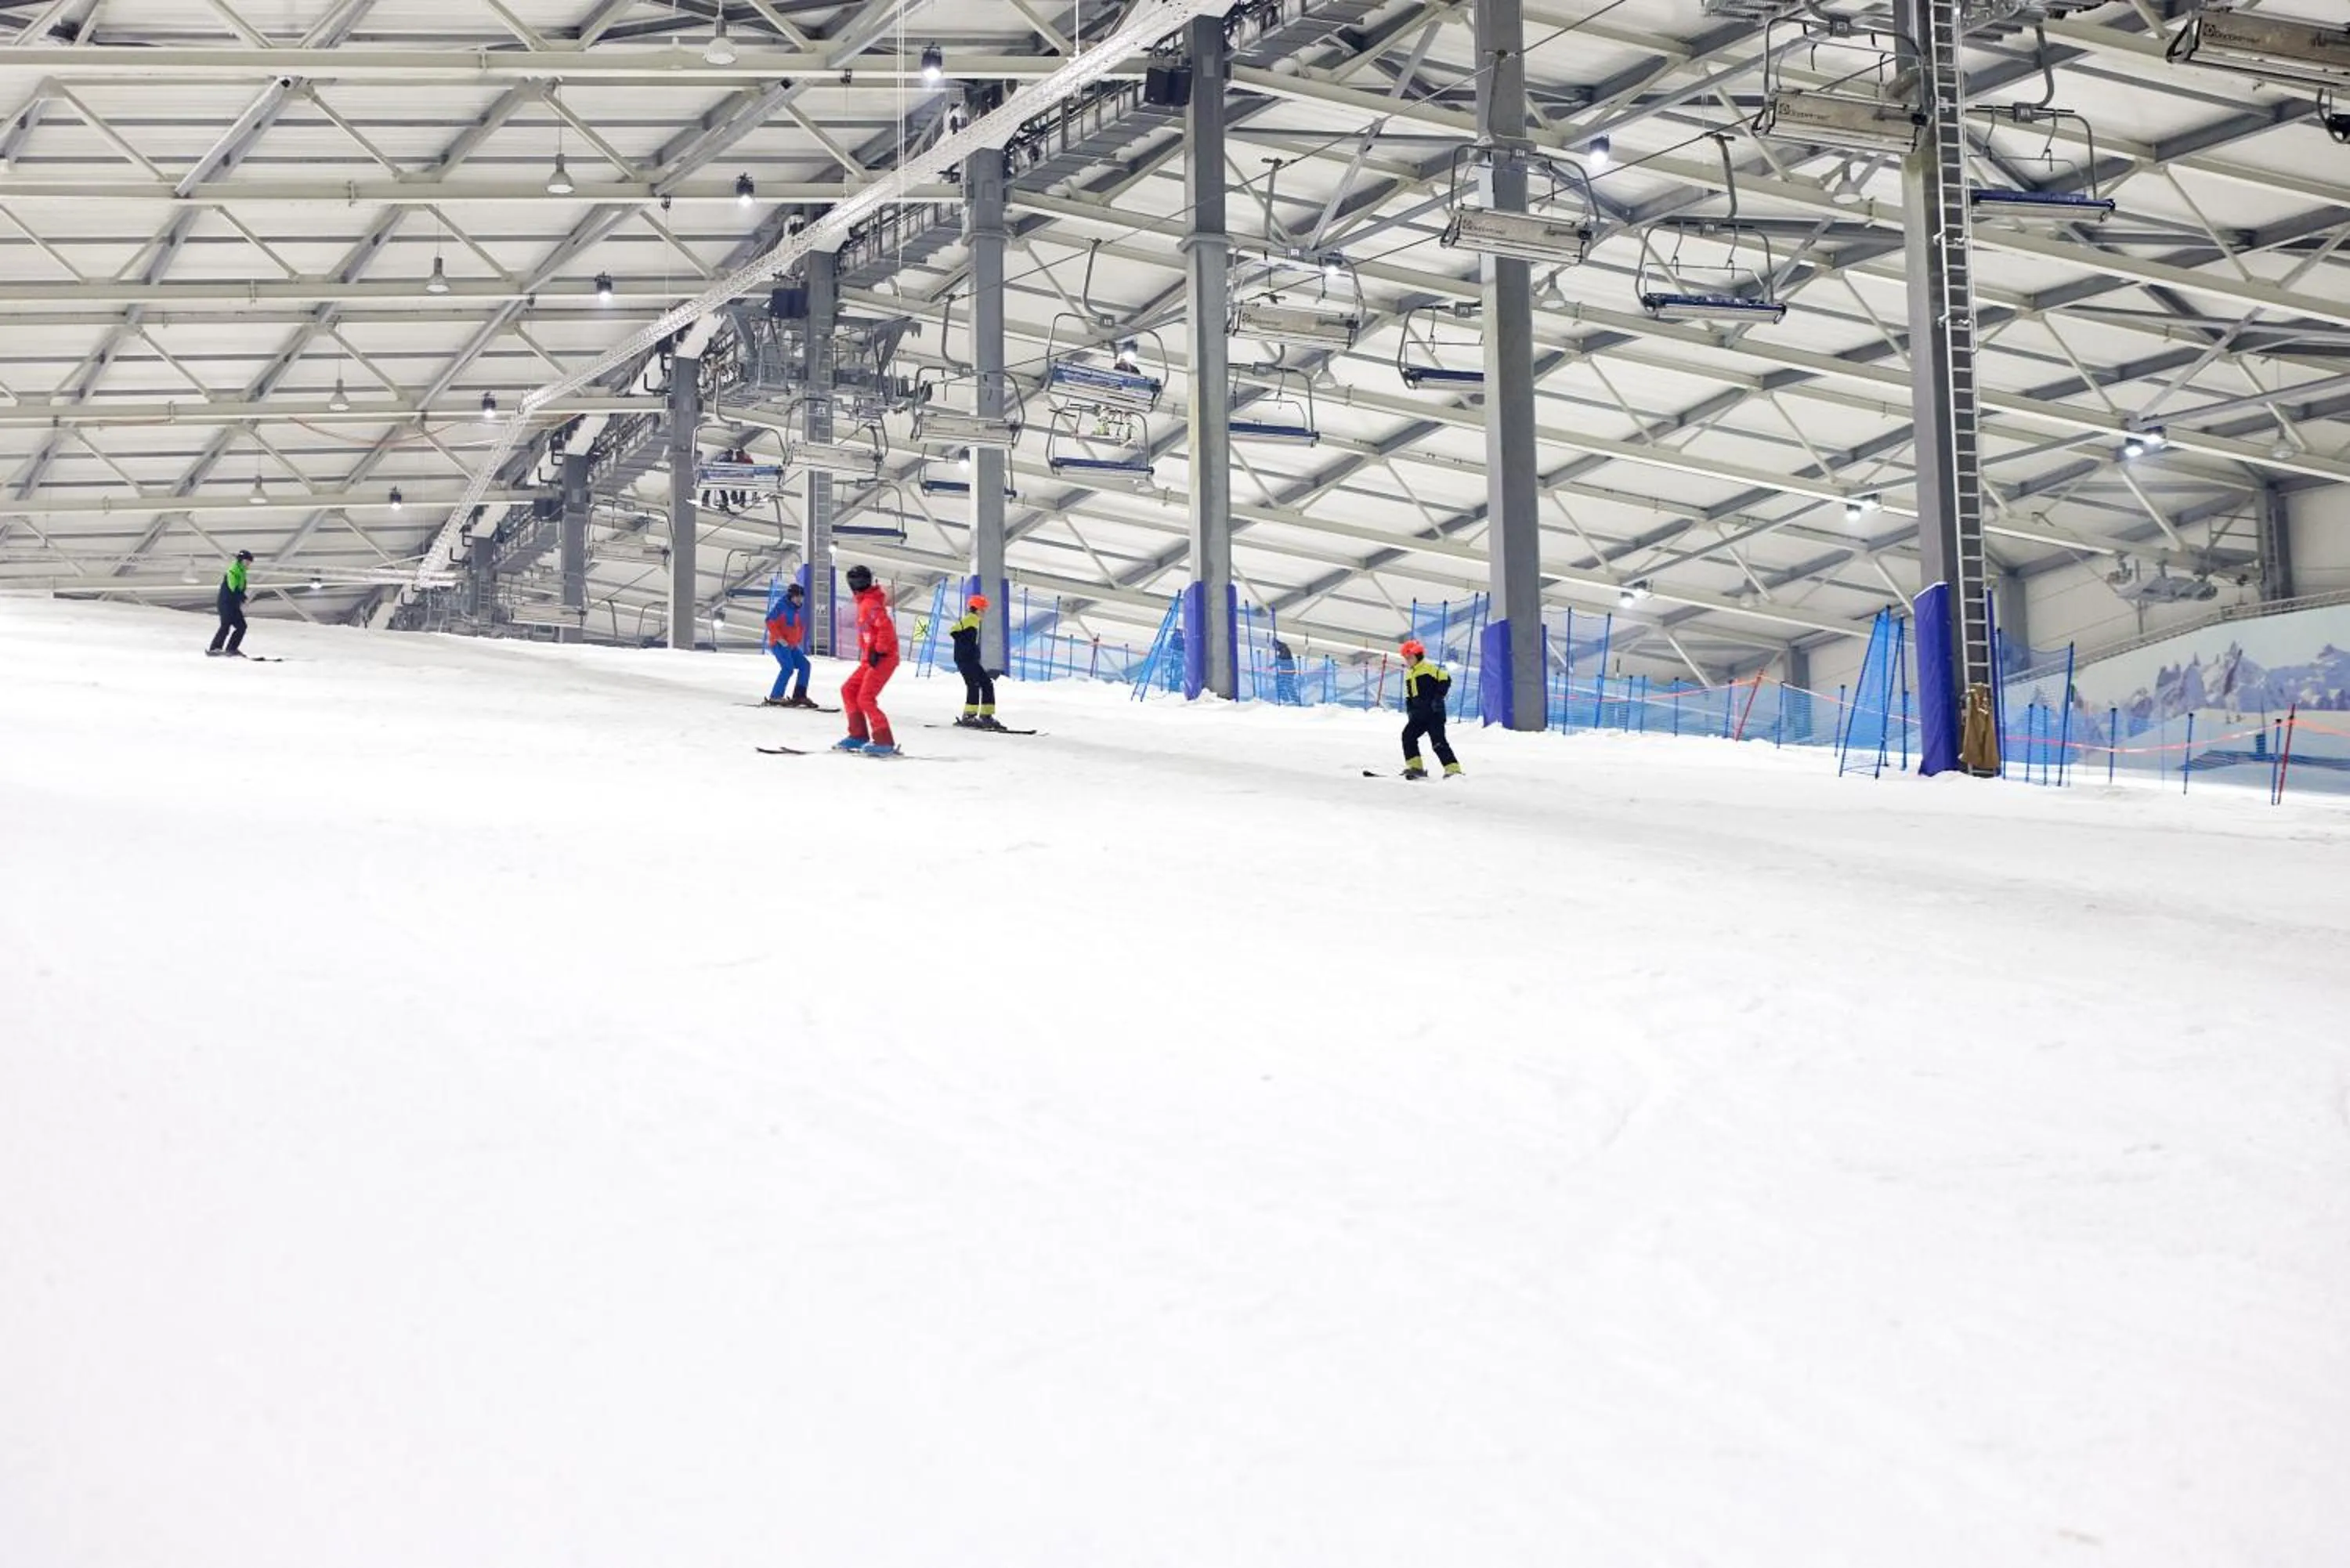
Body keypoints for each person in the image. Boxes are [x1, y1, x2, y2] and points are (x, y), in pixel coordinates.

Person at [836, 564, 901, 755]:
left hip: (883, 658)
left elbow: (885, 628)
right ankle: (858, 735)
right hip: (870, 659)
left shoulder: (870, 603)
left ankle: (884, 741)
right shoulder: (866, 602)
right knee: (849, 690)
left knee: (865, 698)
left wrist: (879, 650)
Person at [1398, 638, 1462, 779]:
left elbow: (1446, 679)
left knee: (1438, 742)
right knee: (1408, 736)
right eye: (1406, 658)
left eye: (1410, 658)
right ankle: (1416, 767)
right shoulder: (1410, 673)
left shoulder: (1429, 668)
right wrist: (1410, 708)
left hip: (1434, 714)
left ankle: (1453, 769)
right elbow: (1410, 693)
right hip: (1419, 715)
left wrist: (1438, 698)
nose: (1408, 661)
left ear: (1418, 656)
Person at [947, 592, 1003, 729]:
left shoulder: (972, 620)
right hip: (967, 660)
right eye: (983, 609)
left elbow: (957, 633)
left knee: (979, 684)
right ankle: (978, 717)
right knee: (981, 684)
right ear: (978, 609)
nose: (984, 612)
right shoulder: (971, 620)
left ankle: (975, 716)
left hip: (967, 659)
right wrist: (968, 649)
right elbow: (954, 631)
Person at [762, 580, 815, 707]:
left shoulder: (795, 610)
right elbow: (769, 621)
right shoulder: (781, 606)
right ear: (791, 596)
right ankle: (776, 696)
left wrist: (797, 640)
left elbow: (797, 627)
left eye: (801, 597)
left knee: (805, 665)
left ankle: (799, 695)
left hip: (791, 646)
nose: (799, 600)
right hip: (779, 644)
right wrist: (779, 638)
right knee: (788, 668)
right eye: (797, 597)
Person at [207, 549, 254, 656]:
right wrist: (243, 598)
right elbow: (233, 588)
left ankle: (231, 649)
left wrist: (242, 598)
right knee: (226, 626)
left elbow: (239, 589)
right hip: (226, 604)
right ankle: (215, 649)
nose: (248, 565)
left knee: (241, 626)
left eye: (249, 563)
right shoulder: (233, 570)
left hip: (233, 604)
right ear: (241, 561)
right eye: (247, 562)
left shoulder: (241, 572)